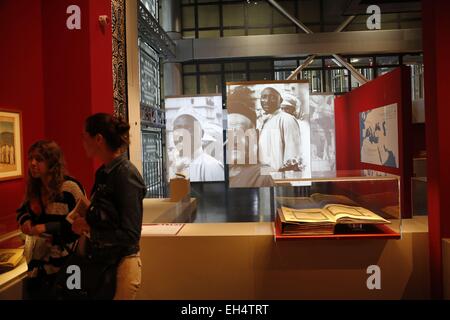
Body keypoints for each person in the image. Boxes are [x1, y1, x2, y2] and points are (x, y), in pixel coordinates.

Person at [72, 113, 146, 300]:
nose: (81, 141)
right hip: (103, 264)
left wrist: (90, 230)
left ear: (98, 139)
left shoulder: (126, 175)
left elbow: (130, 235)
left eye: (84, 136)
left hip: (120, 267)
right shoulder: (104, 172)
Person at [16, 140, 85, 300]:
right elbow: (22, 211)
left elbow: (82, 224)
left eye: (39, 159)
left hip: (69, 264)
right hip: (39, 266)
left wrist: (46, 227)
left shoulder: (70, 188)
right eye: (30, 158)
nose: (32, 163)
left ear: (52, 162)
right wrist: (25, 220)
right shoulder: (35, 188)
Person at [258, 87, 303, 172]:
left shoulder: (287, 120)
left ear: (281, 100)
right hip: (265, 176)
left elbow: (293, 156)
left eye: (272, 97)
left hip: (279, 178)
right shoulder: (264, 121)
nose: (267, 101)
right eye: (264, 97)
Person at [173, 114, 224, 182]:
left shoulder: (212, 166)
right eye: (177, 129)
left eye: (188, 128)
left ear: (202, 134)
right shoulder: (172, 165)